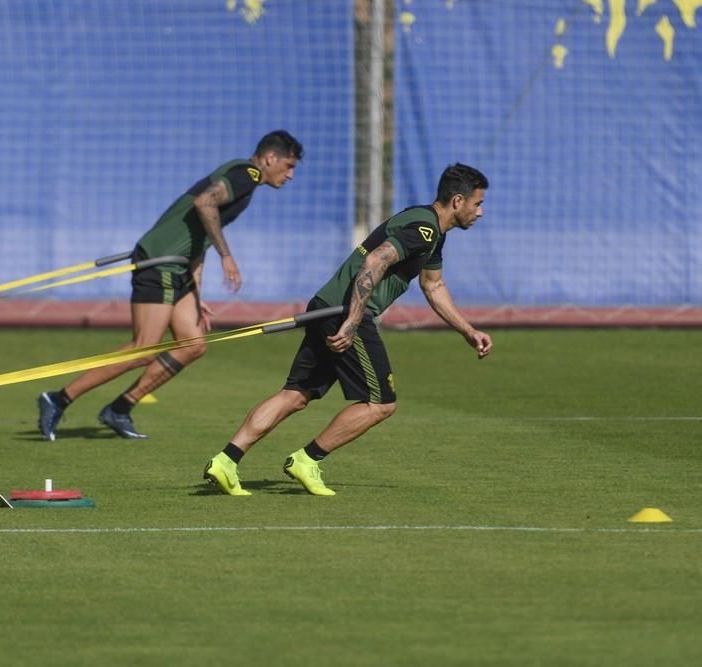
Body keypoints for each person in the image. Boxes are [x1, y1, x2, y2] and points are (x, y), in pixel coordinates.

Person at [203, 163, 492, 496]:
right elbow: (375, 261)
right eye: (478, 203)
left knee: (296, 395)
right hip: (346, 312)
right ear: (458, 201)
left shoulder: (432, 233)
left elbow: (434, 285)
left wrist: (467, 330)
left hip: (327, 307)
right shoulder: (424, 229)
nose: (480, 212)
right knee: (381, 403)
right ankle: (307, 460)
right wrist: (353, 321)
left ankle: (226, 460)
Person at [38, 130, 304, 440]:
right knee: (143, 349)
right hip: (160, 261)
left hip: (177, 267)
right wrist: (227, 257)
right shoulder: (247, 173)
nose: (291, 175)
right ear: (270, 158)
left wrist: (195, 291)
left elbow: (200, 233)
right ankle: (57, 399)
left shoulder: (245, 180)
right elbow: (205, 204)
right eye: (288, 166)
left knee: (192, 346)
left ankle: (120, 409)